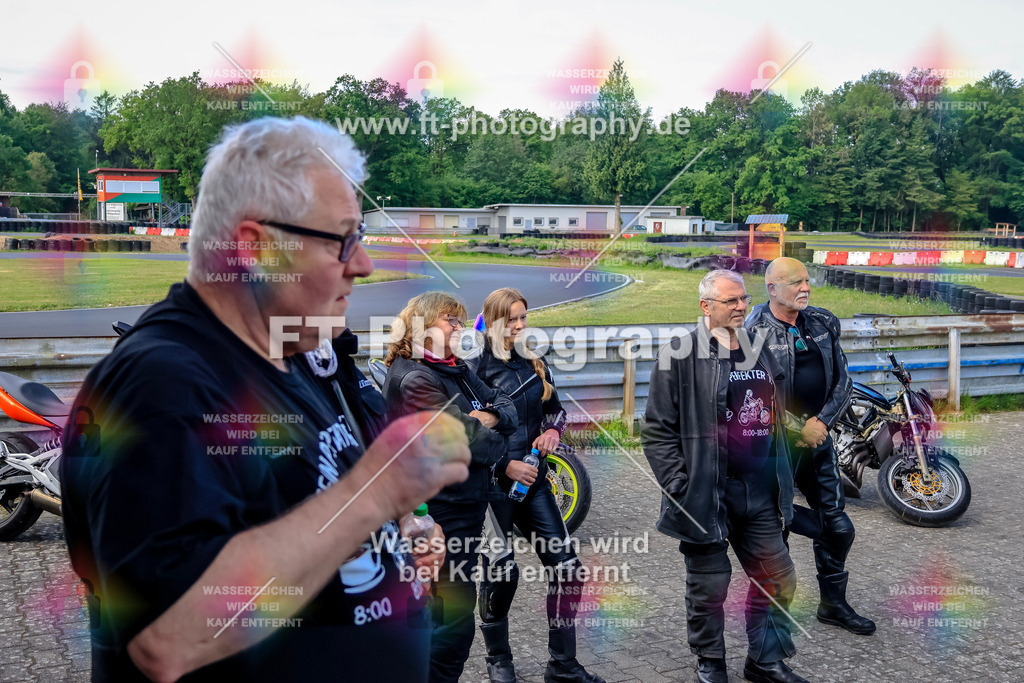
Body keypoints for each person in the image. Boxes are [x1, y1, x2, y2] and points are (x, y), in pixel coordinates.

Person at [59, 117, 471, 682]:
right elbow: (168, 637)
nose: (363, 264)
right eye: (342, 239)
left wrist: (398, 533)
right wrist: (375, 496)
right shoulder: (163, 385)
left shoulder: (290, 354)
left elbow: (310, 500)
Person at [643, 270, 809, 683]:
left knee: (778, 576)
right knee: (709, 585)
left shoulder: (758, 347)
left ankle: (765, 661)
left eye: (744, 299)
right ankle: (710, 660)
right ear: (706, 306)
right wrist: (680, 487)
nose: (741, 307)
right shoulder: (678, 355)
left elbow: (774, 406)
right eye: (731, 301)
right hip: (705, 492)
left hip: (760, 489)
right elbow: (657, 430)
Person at [467, 288, 604, 683]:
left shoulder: (533, 359)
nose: (520, 325)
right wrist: (504, 464)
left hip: (535, 481)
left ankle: (562, 665)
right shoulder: (473, 365)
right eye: (511, 319)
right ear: (492, 319)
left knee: (567, 569)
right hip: (492, 487)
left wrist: (552, 433)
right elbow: (465, 432)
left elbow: (555, 410)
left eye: (523, 317)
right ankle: (498, 659)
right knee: (502, 573)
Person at [381, 291, 518, 683]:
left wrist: (485, 418)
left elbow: (506, 406)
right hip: (438, 516)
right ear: (423, 326)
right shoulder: (415, 378)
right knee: (450, 629)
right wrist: (486, 425)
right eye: (450, 320)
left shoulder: (452, 368)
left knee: (445, 624)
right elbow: (478, 444)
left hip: (464, 509)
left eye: (461, 321)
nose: (460, 328)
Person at [746, 257, 876, 636]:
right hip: (773, 449)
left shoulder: (822, 322)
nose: (805, 288)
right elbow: (751, 395)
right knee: (777, 529)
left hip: (818, 440)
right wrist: (797, 428)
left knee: (838, 527)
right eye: (795, 282)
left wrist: (821, 423)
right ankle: (773, 615)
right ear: (772, 289)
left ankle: (833, 605)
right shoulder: (752, 331)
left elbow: (843, 381)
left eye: (807, 281)